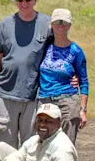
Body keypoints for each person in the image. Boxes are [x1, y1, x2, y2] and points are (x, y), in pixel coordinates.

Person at [0, 0, 52, 149]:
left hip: (33, 94)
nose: (24, 3)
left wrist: (72, 76)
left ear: (35, 0)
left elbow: (57, 54)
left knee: (31, 145)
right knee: (5, 146)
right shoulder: (5, 24)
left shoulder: (47, 24)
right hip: (6, 93)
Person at [38, 9, 89, 144]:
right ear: (51, 25)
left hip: (68, 101)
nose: (60, 26)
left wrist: (83, 110)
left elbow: (83, 81)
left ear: (70, 25)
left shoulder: (76, 51)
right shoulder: (44, 47)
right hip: (45, 100)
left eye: (64, 23)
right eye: (57, 23)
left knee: (66, 146)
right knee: (43, 145)